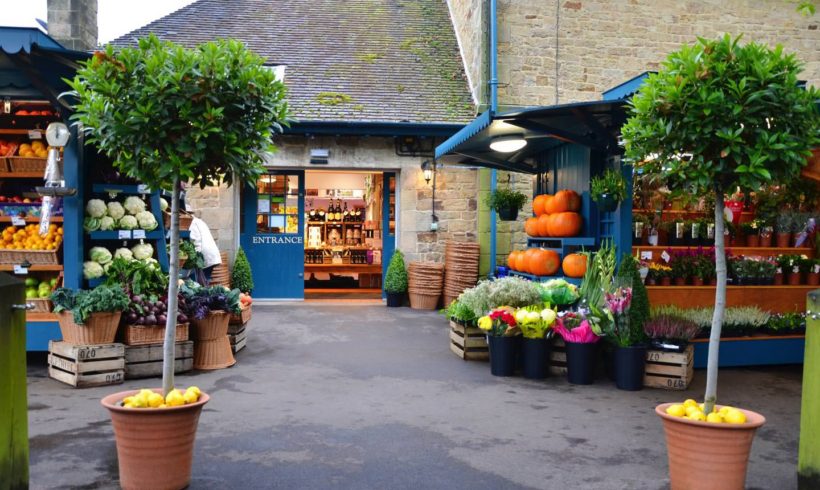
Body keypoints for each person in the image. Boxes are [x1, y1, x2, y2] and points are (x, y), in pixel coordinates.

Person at [188, 214, 221, 283]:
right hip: (212, 253)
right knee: (205, 280)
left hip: (204, 254)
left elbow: (191, 239)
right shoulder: (200, 221)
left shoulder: (190, 223)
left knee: (199, 283)